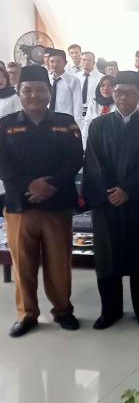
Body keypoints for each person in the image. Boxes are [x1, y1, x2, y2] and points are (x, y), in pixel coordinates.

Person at [0, 65, 83, 337]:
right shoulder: (6, 124)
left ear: (49, 92)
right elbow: (3, 162)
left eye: (40, 89)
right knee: (22, 262)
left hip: (56, 204)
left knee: (59, 261)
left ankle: (62, 310)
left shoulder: (65, 121)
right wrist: (29, 184)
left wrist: (50, 185)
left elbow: (74, 159)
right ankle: (27, 314)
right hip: (20, 204)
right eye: (28, 90)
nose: (34, 95)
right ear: (19, 92)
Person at [83, 70, 139, 330]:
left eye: (130, 92)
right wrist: (111, 192)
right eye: (118, 92)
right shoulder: (98, 125)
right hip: (106, 205)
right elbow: (93, 165)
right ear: (111, 93)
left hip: (138, 203)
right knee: (108, 259)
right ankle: (111, 311)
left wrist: (127, 190)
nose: (123, 97)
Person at [47, 49, 83, 123]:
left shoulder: (73, 81)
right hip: (48, 119)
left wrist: (77, 123)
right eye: (52, 61)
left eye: (58, 61)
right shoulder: (47, 80)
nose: (55, 64)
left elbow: (77, 104)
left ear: (65, 63)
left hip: (66, 120)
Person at [81, 75, 116, 145]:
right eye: (102, 85)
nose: (106, 88)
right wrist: (84, 144)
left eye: (110, 85)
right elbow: (87, 123)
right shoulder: (94, 102)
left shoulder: (119, 103)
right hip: (94, 140)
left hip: (113, 142)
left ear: (115, 87)